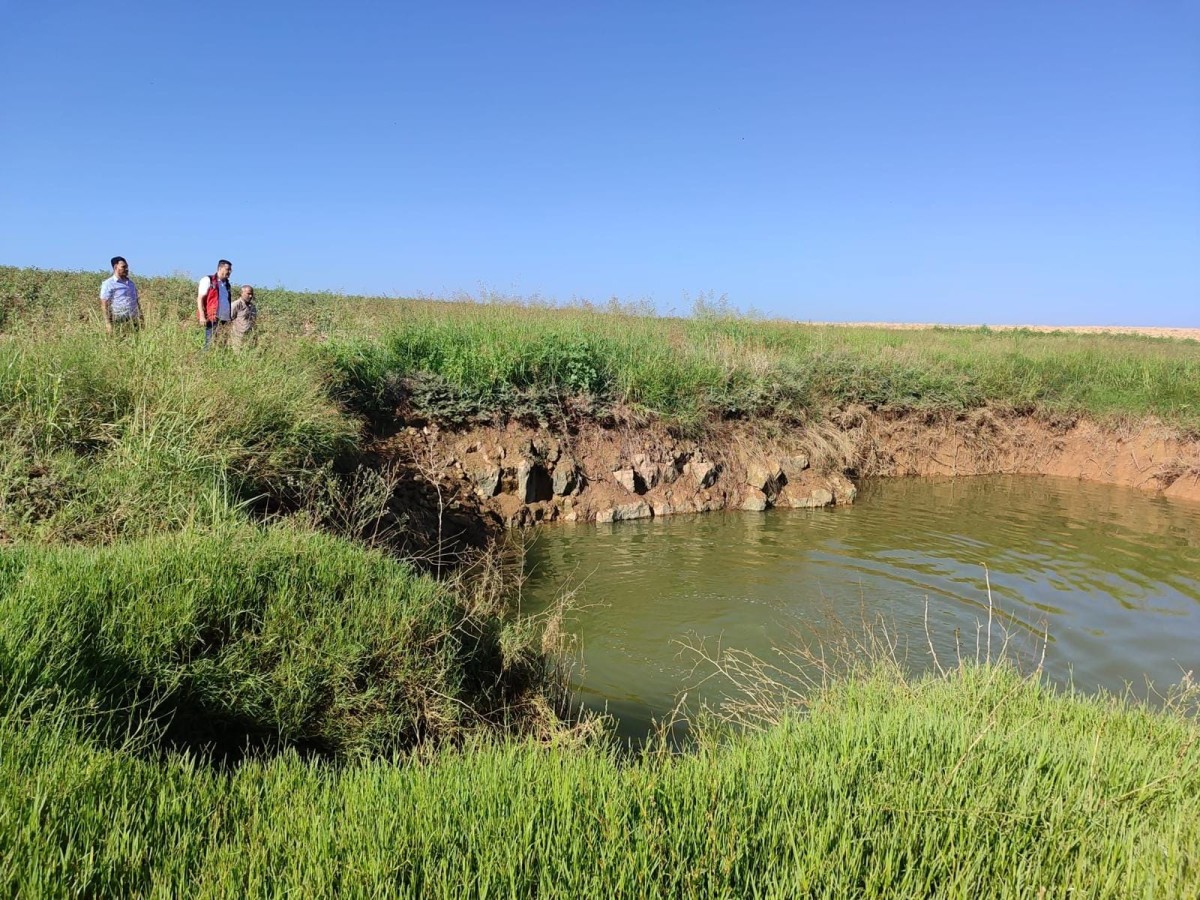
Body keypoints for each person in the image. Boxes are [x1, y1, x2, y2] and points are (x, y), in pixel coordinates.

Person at [99, 256, 143, 334]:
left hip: (133, 320)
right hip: (119, 320)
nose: (126, 269)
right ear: (115, 267)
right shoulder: (108, 284)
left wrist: (141, 318)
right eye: (123, 267)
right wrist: (108, 323)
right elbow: (104, 304)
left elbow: (136, 302)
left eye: (127, 267)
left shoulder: (131, 283)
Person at [196, 259, 234, 348]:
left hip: (225, 320)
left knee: (221, 346)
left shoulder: (227, 285)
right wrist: (202, 316)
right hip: (213, 318)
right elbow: (200, 298)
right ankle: (203, 361)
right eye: (227, 269)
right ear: (220, 268)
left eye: (230, 270)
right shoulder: (208, 280)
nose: (229, 272)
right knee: (210, 345)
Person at [229, 284, 258, 349]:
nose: (250, 296)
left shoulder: (253, 306)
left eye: (252, 294)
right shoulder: (236, 305)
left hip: (250, 337)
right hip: (238, 337)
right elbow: (228, 320)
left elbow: (254, 322)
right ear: (242, 293)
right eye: (248, 294)